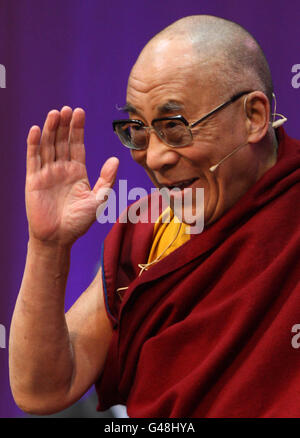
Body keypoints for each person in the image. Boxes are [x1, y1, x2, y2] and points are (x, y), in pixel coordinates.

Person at [9, 15, 300, 418]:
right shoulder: (149, 231)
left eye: (175, 127)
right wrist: (47, 246)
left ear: (253, 116)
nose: (155, 159)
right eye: (139, 131)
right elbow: (43, 390)